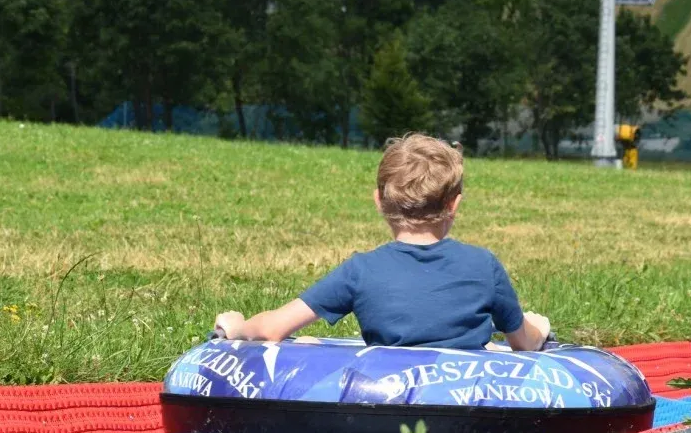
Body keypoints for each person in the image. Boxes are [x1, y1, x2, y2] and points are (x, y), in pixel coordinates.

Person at [213, 133, 551, 351]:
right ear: (454, 204)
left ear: (378, 200)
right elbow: (523, 344)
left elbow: (272, 329)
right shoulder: (483, 265)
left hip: (389, 409)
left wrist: (238, 326)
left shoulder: (361, 271)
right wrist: (539, 327)